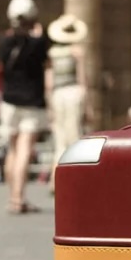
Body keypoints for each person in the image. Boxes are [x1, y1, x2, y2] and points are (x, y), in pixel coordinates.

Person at [0, 0, 48, 215]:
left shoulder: (4, 42)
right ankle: (19, 199)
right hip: (31, 101)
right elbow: (44, 62)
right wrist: (37, 35)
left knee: (12, 149)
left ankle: (11, 197)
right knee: (24, 149)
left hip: (8, 101)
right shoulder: (37, 43)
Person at [47, 13, 89, 168]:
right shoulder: (77, 51)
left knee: (59, 139)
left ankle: (55, 177)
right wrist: (87, 104)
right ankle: (72, 174)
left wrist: (49, 105)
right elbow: (82, 78)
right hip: (73, 92)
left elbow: (49, 83)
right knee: (74, 136)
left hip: (57, 94)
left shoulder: (52, 53)